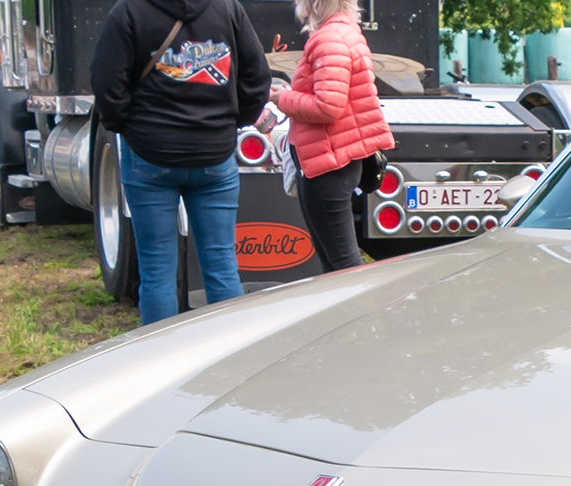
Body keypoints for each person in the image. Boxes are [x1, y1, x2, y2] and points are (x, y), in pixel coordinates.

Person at [91, 0, 270, 324]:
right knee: (221, 264)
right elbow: (257, 77)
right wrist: (233, 122)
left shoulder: (129, 12)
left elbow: (106, 84)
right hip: (214, 156)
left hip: (150, 155)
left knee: (157, 268)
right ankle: (230, 356)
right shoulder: (228, 9)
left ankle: (159, 362)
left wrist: (128, 127)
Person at [270, 0, 394, 272]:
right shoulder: (346, 32)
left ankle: (359, 315)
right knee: (337, 264)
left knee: (342, 266)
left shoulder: (329, 40)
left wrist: (284, 98)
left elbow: (328, 106)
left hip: (327, 163)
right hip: (337, 158)